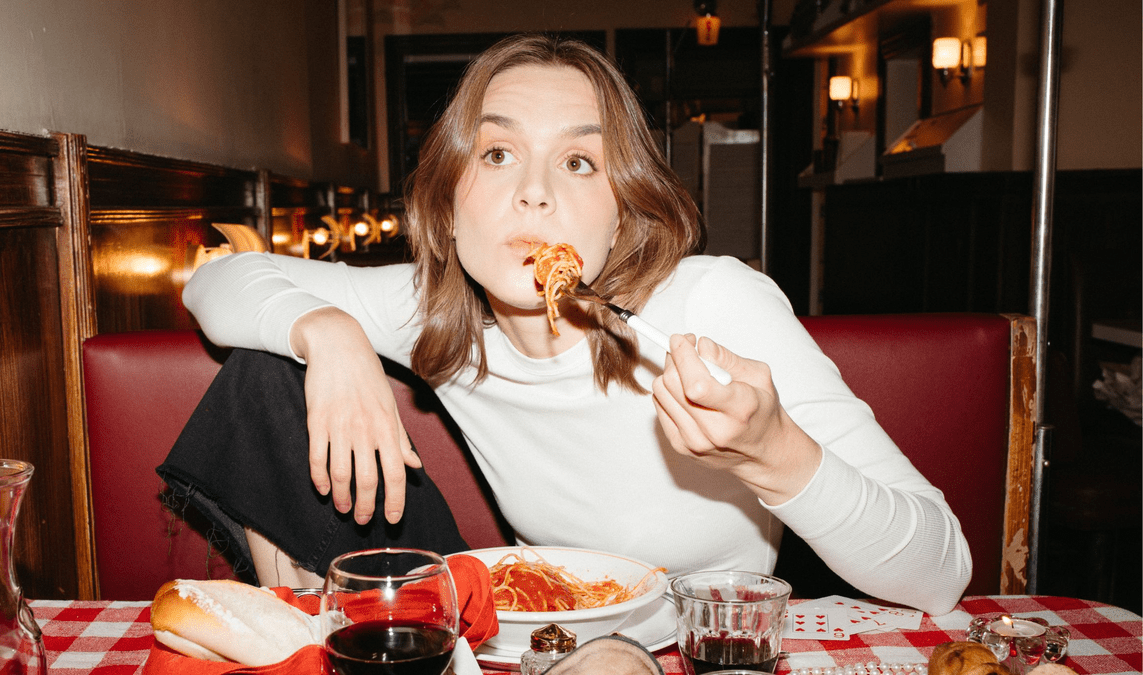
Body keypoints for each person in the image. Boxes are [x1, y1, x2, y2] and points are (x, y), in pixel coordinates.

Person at [176, 33, 970, 615]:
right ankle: (304, 633)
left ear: (621, 217)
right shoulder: (441, 314)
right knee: (264, 369)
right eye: (497, 154)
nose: (535, 193)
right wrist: (332, 336)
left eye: (579, 162)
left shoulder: (715, 305)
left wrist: (774, 453)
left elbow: (943, 572)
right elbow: (217, 278)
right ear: (448, 207)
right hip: (536, 632)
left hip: (706, 646)